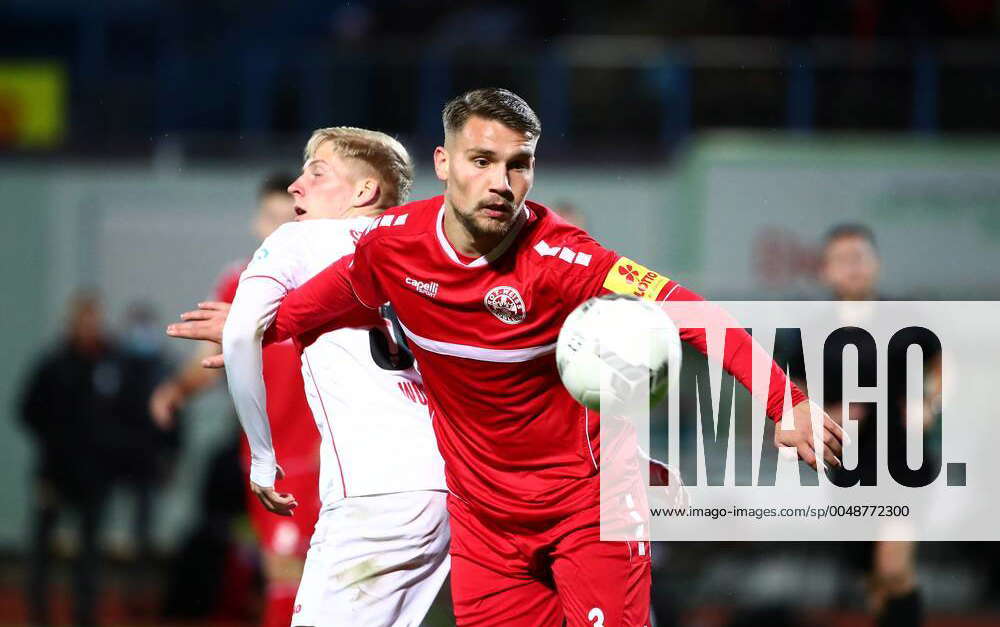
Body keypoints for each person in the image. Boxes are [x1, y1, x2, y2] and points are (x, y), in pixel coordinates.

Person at [170, 88, 844, 626]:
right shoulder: (393, 248)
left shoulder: (564, 257)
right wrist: (262, 325)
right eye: (481, 160)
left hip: (589, 498)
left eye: (518, 163)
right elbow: (336, 300)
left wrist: (786, 401)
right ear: (443, 164)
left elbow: (689, 310)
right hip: (485, 520)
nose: (501, 181)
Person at [222, 126, 449, 626]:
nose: (296, 187)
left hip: (373, 490)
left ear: (365, 191)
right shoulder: (425, 247)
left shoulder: (303, 237)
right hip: (445, 488)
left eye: (316, 173)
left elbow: (238, 337)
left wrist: (262, 456)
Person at [150, 172, 321, 627]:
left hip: (327, 455)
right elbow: (207, 361)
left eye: (293, 216)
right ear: (256, 222)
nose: (282, 227)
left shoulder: (329, 280)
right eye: (272, 217)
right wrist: (176, 391)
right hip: (269, 459)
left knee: (311, 579)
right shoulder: (239, 284)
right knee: (284, 573)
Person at [820, 224, 927, 627]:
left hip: (902, 461)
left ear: (876, 264)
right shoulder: (814, 329)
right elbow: (793, 387)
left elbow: (939, 365)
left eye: (860, 258)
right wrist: (824, 414)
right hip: (847, 467)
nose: (852, 268)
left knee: (894, 569)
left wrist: (927, 400)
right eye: (841, 260)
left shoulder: (904, 319)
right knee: (875, 583)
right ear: (825, 270)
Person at [19, 290, 123, 627]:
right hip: (55, 474)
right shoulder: (53, 365)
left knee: (89, 556)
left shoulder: (111, 365)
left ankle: (85, 616)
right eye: (83, 318)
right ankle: (39, 616)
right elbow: (27, 410)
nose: (89, 325)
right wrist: (55, 444)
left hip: (95, 476)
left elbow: (125, 415)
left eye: (94, 318)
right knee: (43, 553)